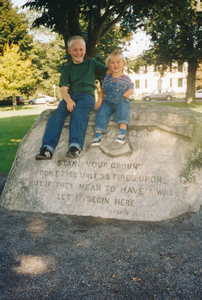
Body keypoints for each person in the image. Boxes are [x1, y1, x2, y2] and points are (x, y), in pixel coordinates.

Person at [35, 35, 108, 160]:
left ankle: (75, 146)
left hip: (87, 96)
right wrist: (68, 101)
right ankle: (47, 148)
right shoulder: (67, 69)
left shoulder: (91, 64)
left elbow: (109, 72)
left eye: (81, 49)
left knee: (79, 113)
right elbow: (64, 90)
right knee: (57, 115)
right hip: (70, 96)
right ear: (69, 51)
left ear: (85, 50)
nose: (78, 52)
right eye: (75, 49)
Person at [91, 51, 134, 146]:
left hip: (121, 100)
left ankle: (122, 134)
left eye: (118, 62)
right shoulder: (107, 78)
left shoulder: (126, 78)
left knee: (123, 111)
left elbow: (131, 88)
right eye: (112, 62)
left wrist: (129, 92)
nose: (115, 65)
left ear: (123, 64)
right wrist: (99, 101)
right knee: (102, 113)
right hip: (108, 101)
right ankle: (98, 136)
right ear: (109, 65)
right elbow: (102, 91)